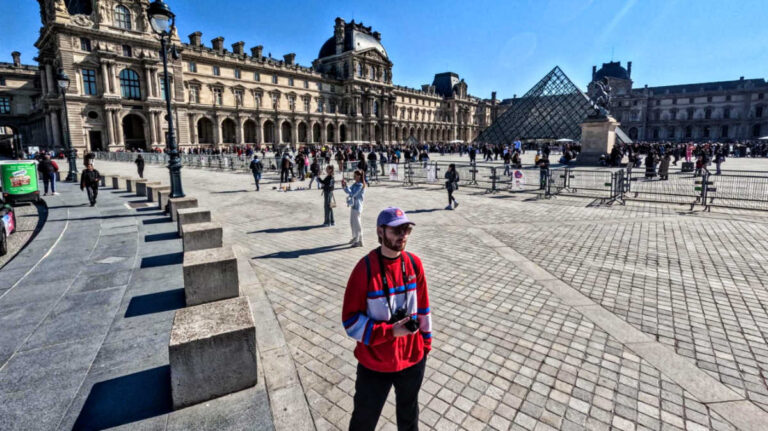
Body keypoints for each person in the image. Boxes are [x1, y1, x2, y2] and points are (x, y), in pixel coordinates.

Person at [342, 207, 431, 431]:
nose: (403, 235)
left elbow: (424, 308)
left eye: (407, 229)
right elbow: (350, 321)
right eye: (396, 230)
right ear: (380, 231)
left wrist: (425, 344)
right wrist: (390, 331)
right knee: (363, 420)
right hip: (375, 363)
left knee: (409, 418)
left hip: (412, 358)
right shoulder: (364, 269)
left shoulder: (414, 264)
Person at [342, 170, 366, 247]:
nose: (354, 177)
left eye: (355, 176)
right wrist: (344, 186)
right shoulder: (355, 184)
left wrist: (347, 188)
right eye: (354, 176)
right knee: (352, 223)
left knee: (357, 224)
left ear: (359, 176)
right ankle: (355, 237)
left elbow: (353, 193)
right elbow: (348, 191)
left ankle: (360, 240)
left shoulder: (360, 185)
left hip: (358, 206)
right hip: (353, 205)